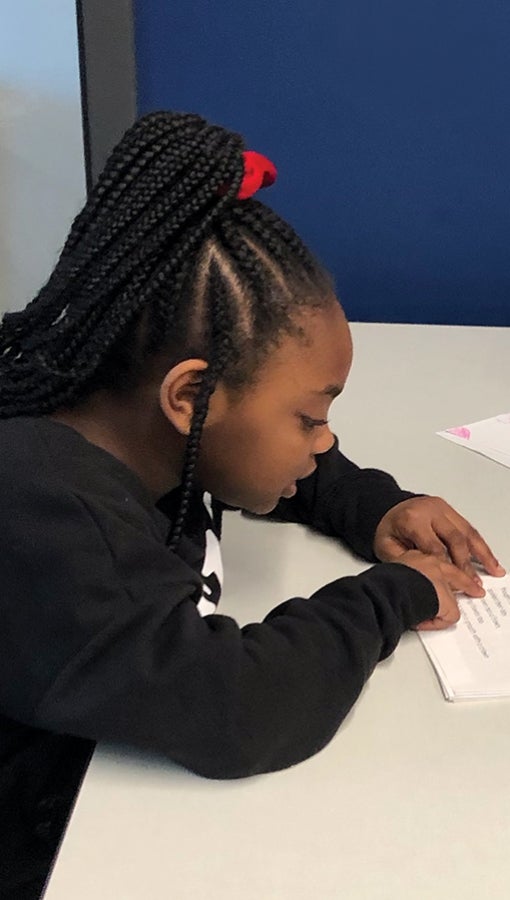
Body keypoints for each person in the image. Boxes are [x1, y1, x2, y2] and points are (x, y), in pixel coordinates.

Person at [0, 111, 504, 898]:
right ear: (191, 394)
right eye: (310, 417)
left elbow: (263, 462)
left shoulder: (134, 419)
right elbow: (233, 708)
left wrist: (371, 506)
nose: (321, 440)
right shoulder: (49, 518)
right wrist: (394, 596)